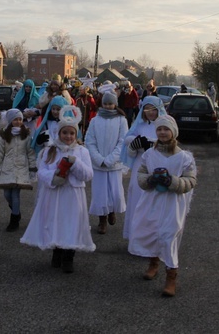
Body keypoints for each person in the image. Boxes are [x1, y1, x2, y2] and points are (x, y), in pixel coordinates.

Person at [128, 115, 197, 297]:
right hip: (152, 201)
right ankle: (153, 263)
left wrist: (172, 181)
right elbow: (141, 175)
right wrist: (151, 179)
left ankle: (171, 276)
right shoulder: (149, 154)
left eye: (166, 129)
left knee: (169, 237)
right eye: (159, 129)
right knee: (152, 232)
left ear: (173, 132)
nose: (162, 132)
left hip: (172, 204)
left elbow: (190, 180)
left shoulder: (184, 157)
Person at [20, 105, 95, 273]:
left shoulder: (82, 151)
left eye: (71, 133)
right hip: (55, 194)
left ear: (76, 135)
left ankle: (69, 256)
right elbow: (42, 171)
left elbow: (88, 174)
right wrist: (54, 176)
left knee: (71, 224)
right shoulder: (50, 151)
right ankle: (57, 250)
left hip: (73, 195)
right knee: (57, 222)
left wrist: (75, 163)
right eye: (64, 133)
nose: (68, 136)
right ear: (59, 134)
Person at [121, 95, 167, 240]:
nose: (151, 112)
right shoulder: (139, 125)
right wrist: (135, 144)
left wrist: (152, 143)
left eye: (154, 109)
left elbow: (169, 144)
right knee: (137, 198)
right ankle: (136, 236)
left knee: (154, 201)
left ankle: (152, 237)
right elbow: (129, 146)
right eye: (147, 109)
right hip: (140, 165)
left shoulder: (163, 126)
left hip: (158, 166)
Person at [85, 91, 128, 235]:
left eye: (111, 104)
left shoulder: (121, 120)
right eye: (106, 103)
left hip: (114, 164)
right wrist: (98, 159)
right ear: (102, 104)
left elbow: (123, 141)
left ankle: (112, 211)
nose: (108, 106)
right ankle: (101, 219)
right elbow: (89, 141)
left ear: (115, 104)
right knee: (100, 194)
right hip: (99, 165)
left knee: (114, 192)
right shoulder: (95, 121)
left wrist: (110, 159)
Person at [0, 108, 37, 231]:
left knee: (15, 194)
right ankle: (15, 210)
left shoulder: (26, 135)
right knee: (7, 194)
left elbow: (30, 153)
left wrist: (33, 168)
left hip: (21, 168)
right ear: (10, 121)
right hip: (7, 167)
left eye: (20, 119)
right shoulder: (5, 136)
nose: (18, 122)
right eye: (15, 119)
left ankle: (14, 219)